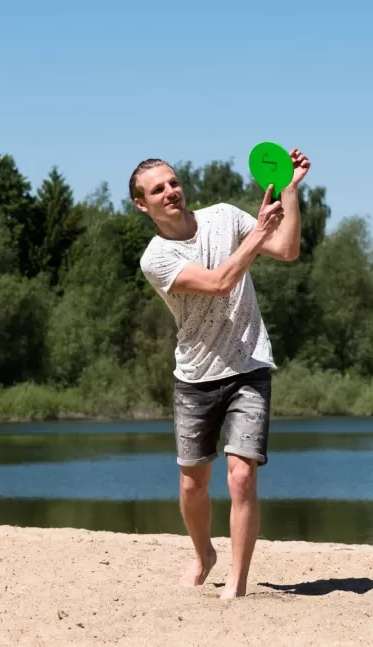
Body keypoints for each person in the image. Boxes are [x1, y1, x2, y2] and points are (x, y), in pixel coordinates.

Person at [130, 149, 310, 600]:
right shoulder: (156, 258)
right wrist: (255, 236)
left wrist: (288, 189)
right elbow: (218, 282)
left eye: (173, 182)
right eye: (158, 189)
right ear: (142, 205)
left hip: (249, 364)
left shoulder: (225, 217)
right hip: (195, 376)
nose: (170, 191)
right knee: (193, 482)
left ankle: (237, 581)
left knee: (242, 476)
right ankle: (203, 554)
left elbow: (286, 249)